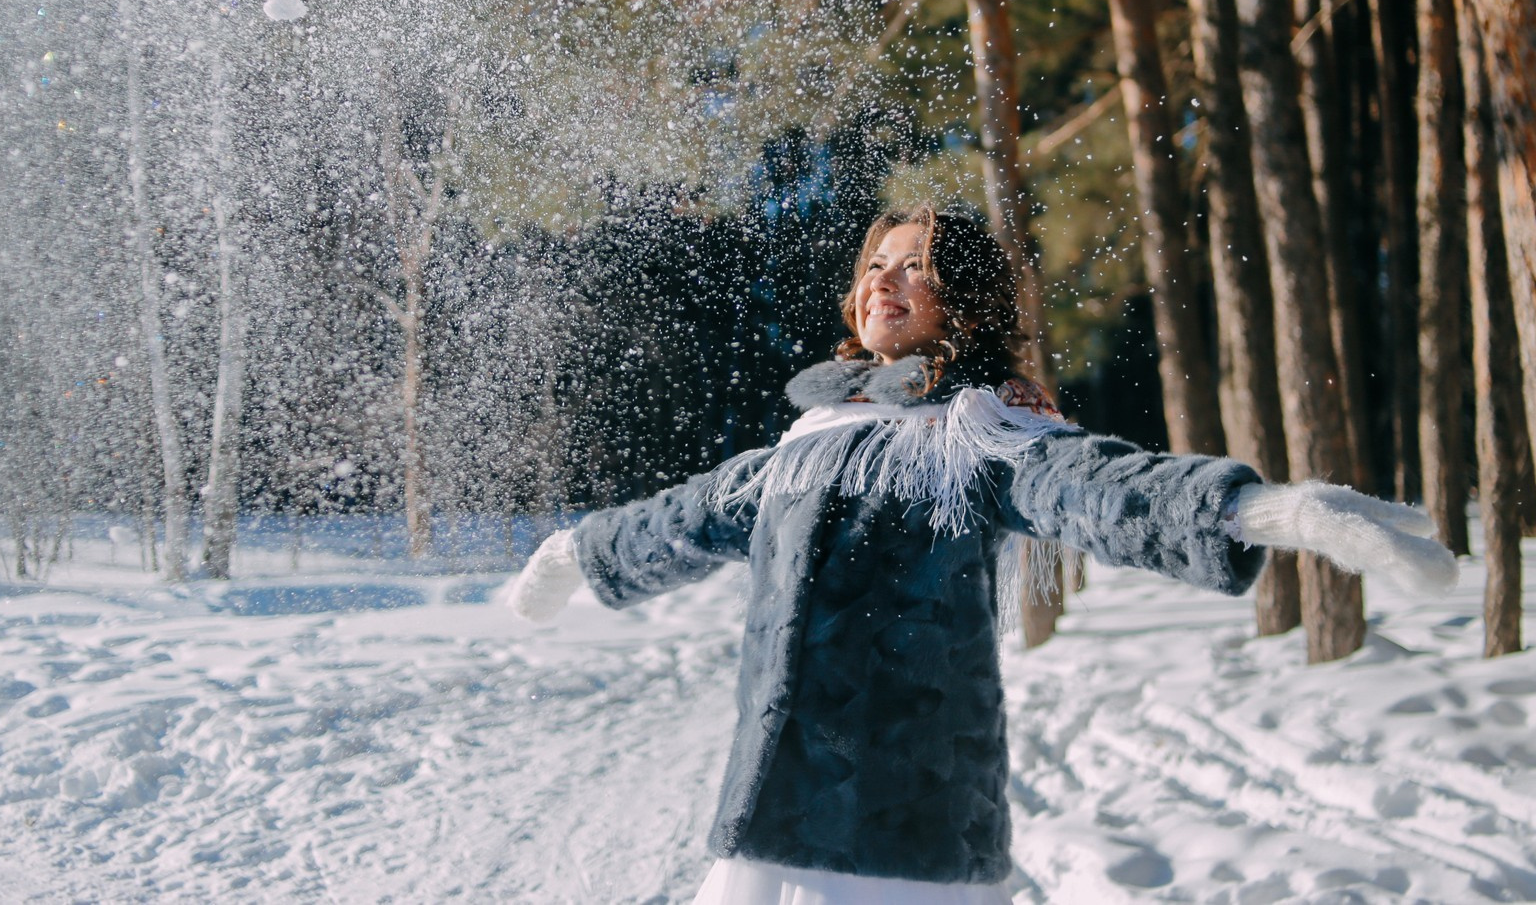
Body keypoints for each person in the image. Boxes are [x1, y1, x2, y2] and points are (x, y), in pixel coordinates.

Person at [504, 205, 1456, 904]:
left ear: (959, 298)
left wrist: (1261, 509)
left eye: (914, 266)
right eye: (876, 262)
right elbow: (681, 518)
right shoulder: (803, 440)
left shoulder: (978, 431)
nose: (885, 278)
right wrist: (576, 554)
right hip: (766, 826)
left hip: (904, 836)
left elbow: (1098, 487)